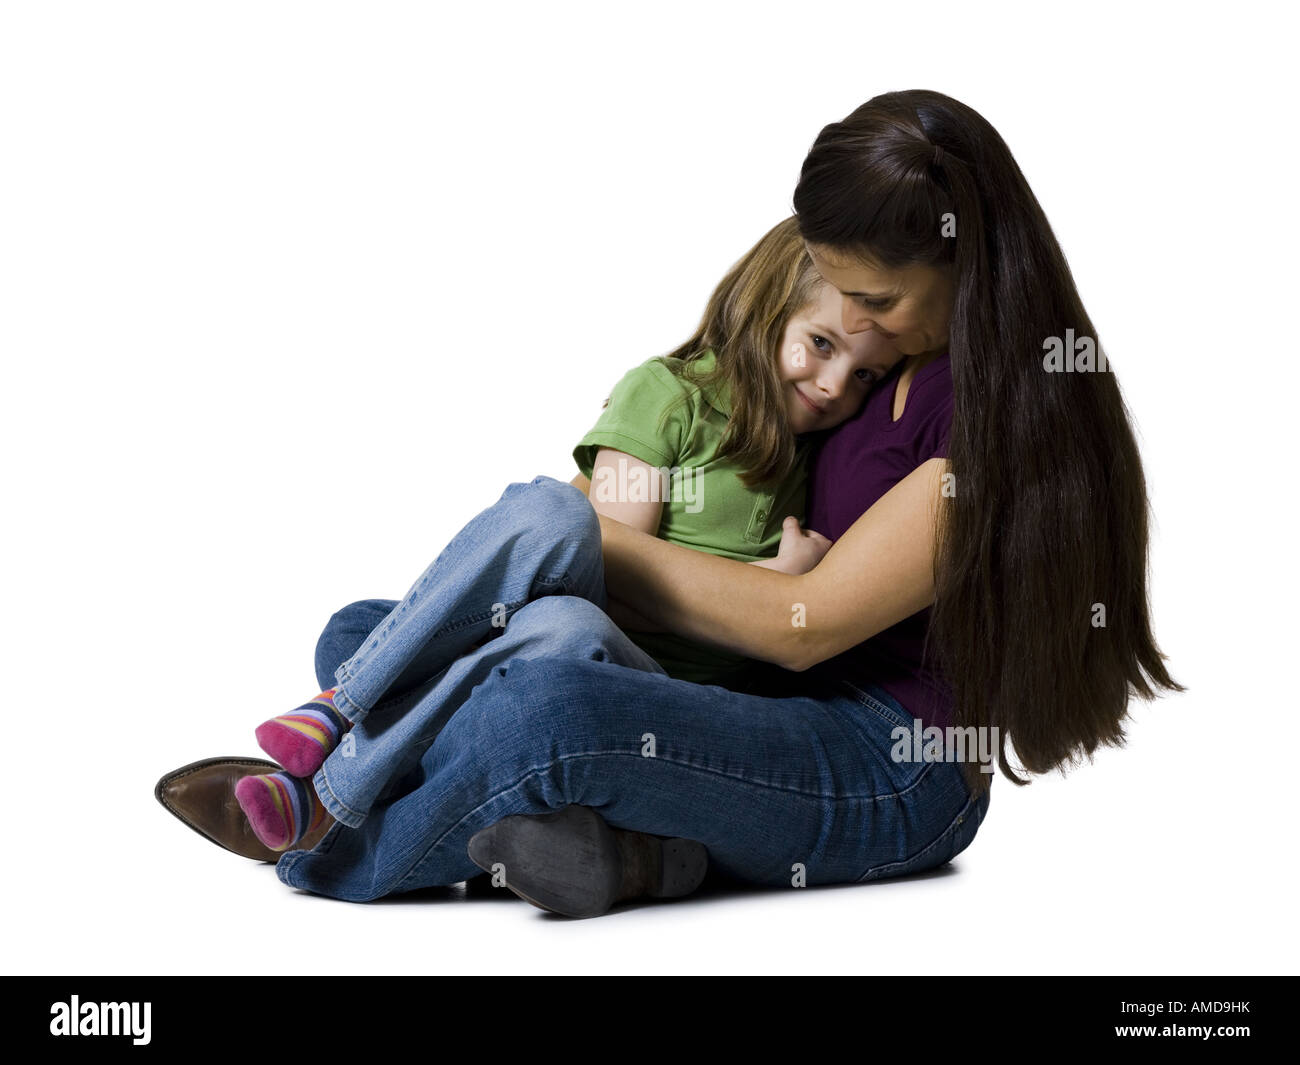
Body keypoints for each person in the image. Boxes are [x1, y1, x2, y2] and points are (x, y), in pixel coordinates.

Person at [172, 89, 1182, 919]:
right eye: (835, 306)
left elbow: (801, 624)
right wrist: (592, 516)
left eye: (876, 305)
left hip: (882, 763)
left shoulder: (1003, 418)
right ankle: (647, 857)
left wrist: (583, 545)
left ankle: (321, 837)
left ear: (972, 262)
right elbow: (711, 479)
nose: (853, 350)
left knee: (542, 702)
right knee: (371, 627)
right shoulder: (875, 363)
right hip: (753, 699)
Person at [228, 215, 899, 858]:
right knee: (554, 525)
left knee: (571, 628)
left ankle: (328, 792)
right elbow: (613, 570)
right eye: (820, 344)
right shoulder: (669, 397)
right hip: (578, 622)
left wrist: (787, 594)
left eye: (865, 373)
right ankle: (340, 711)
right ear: (764, 310)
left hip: (641, 692)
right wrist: (764, 592)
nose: (837, 383)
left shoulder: (818, 452)